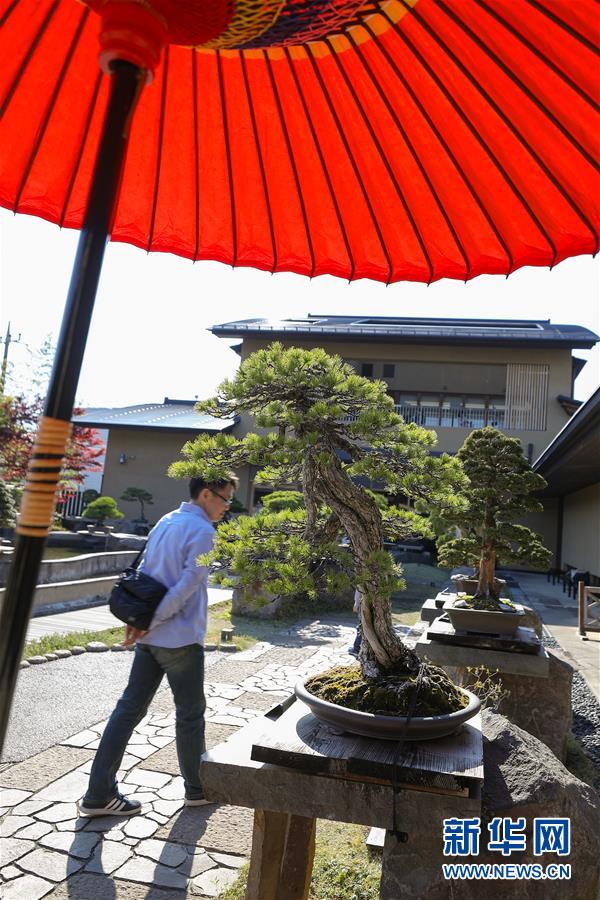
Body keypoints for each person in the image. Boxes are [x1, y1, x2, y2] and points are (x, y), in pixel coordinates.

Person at [78, 473, 238, 817]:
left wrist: (142, 623)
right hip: (178, 637)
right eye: (225, 499)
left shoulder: (167, 519)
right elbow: (185, 589)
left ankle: (97, 794)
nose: (228, 506)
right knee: (191, 716)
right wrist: (151, 621)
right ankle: (197, 789)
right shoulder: (204, 533)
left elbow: (144, 576)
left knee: (127, 711)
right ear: (207, 494)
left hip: (150, 636)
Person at [348, 586, 363, 657]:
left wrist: (356, 604)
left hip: (363, 607)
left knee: (361, 628)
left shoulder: (362, 578)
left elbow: (359, 591)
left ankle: (356, 649)